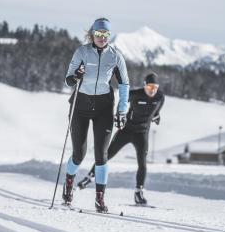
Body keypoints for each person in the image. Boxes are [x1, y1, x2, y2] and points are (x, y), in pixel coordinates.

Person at [63, 18, 129, 213]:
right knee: (79, 154)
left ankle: (100, 198)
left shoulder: (116, 56)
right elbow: (68, 80)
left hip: (103, 107)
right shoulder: (81, 52)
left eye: (105, 35)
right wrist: (76, 76)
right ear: (92, 34)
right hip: (80, 106)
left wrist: (122, 110)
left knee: (102, 155)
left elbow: (125, 84)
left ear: (109, 36)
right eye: (98, 34)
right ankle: (68, 183)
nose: (102, 38)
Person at [78, 72, 164, 205]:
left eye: (155, 87)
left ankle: (138, 193)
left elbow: (157, 110)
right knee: (106, 155)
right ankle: (89, 177)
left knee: (142, 163)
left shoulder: (160, 97)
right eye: (149, 87)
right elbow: (122, 102)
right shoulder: (135, 94)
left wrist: (156, 116)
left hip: (142, 133)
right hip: (126, 130)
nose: (152, 90)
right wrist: (119, 114)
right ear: (144, 86)